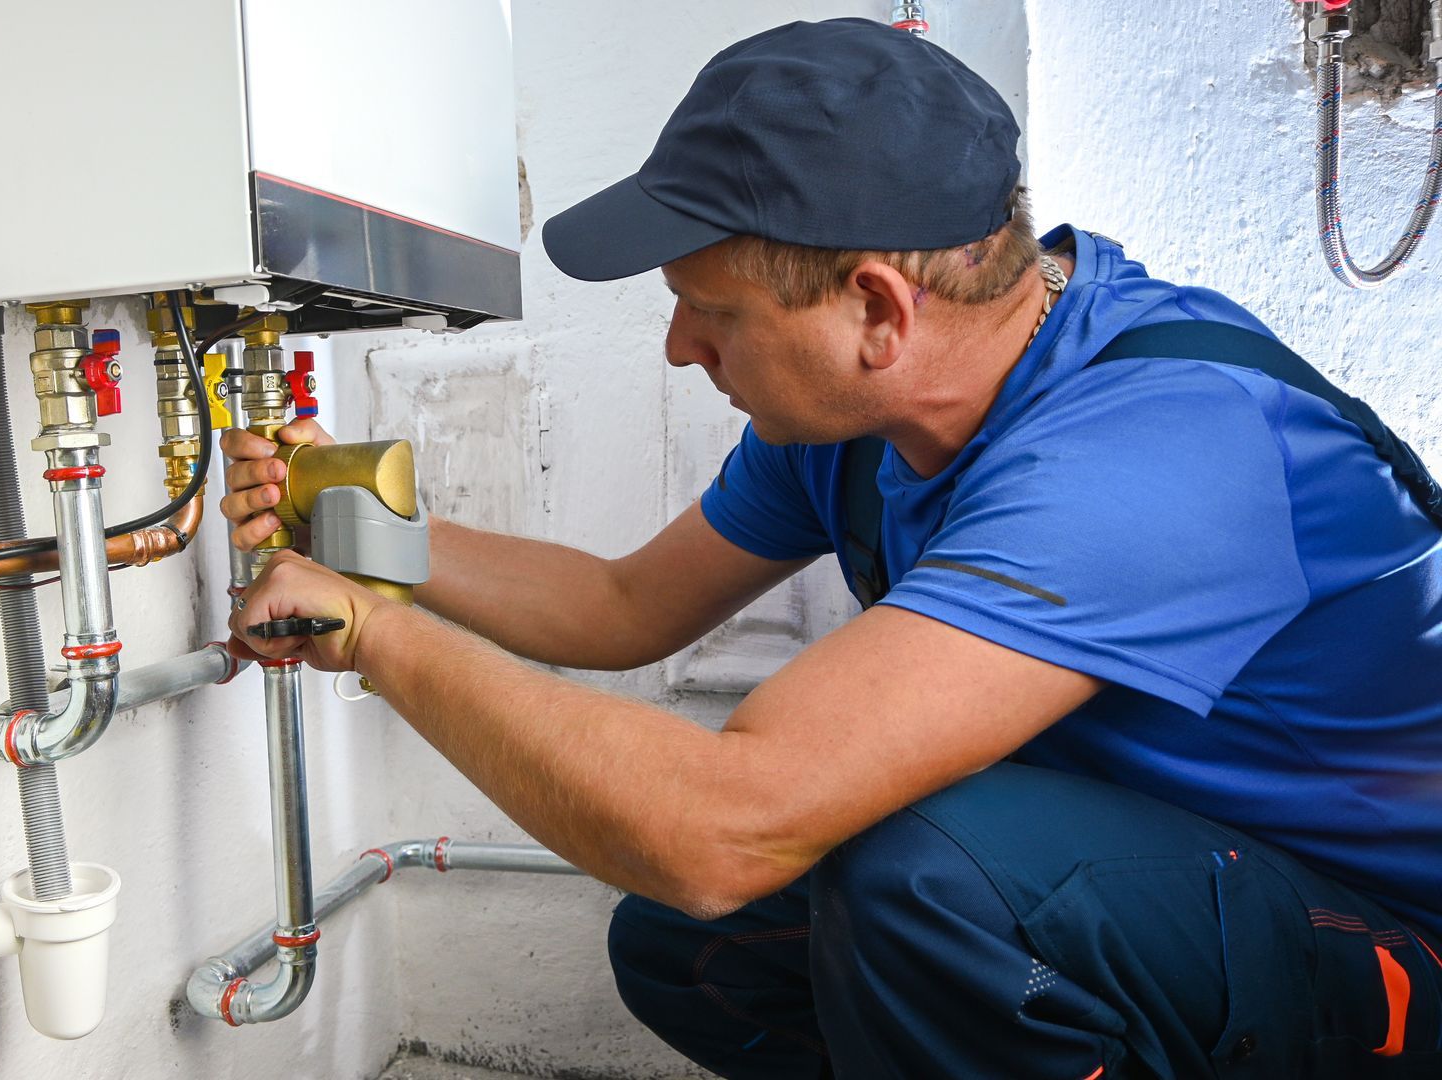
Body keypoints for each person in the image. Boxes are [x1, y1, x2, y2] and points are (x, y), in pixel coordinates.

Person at [219, 18, 1442, 1079]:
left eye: (712, 309)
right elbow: (622, 605)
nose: (680, 345)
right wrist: (367, 544)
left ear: (877, 309)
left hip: (1385, 942)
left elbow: (722, 829)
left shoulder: (1157, 456)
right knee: (692, 944)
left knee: (923, 885)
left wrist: (379, 640)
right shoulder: (858, 425)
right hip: (1172, 883)